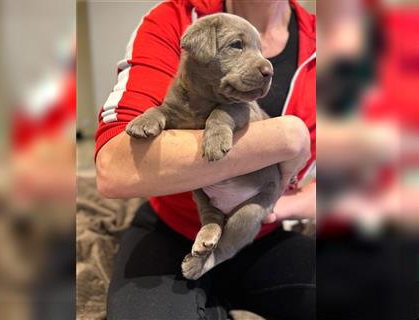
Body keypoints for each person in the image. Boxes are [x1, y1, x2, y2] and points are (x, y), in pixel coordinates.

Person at [95, 0, 316, 319]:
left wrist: (274, 208)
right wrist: (284, 138)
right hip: (172, 228)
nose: (264, 66)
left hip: (263, 235)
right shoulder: (175, 18)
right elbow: (113, 170)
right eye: (237, 46)